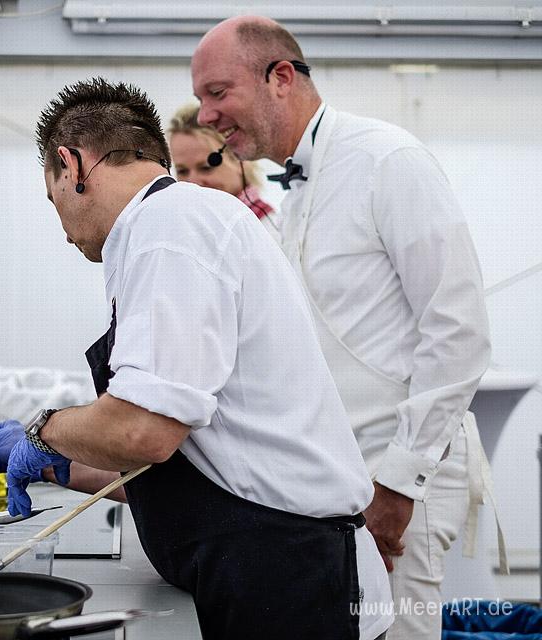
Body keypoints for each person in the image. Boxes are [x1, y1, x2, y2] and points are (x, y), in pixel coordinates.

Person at [0, 77, 392, 640]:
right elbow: (200, 456)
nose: (64, 232)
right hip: (266, 566)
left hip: (292, 583)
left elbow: (145, 431)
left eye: (53, 199)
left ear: (70, 164)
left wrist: (43, 430)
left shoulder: (170, 229)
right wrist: (57, 465)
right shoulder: (167, 227)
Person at [191, 16, 492, 640]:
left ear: (280, 77)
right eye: (201, 99)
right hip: (340, 482)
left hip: (401, 476)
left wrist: (397, 484)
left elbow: (459, 330)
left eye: (217, 92)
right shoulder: (293, 190)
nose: (206, 115)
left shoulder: (389, 160)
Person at [167, 103, 278, 237]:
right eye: (182, 171)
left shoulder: (270, 233)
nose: (192, 182)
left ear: (240, 160)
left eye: (206, 168)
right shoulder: (182, 234)